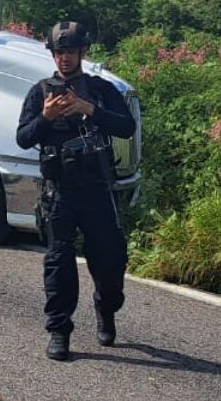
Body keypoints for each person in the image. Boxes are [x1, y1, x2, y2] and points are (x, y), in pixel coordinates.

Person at [15, 20, 136, 362]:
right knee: (58, 262)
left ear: (82, 52)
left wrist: (90, 110)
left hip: (97, 189)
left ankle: (106, 307)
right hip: (60, 192)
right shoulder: (41, 91)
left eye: (69, 52)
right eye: (58, 52)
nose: (64, 59)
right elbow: (23, 137)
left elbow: (126, 127)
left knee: (110, 262)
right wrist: (45, 117)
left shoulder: (100, 89)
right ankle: (58, 330)